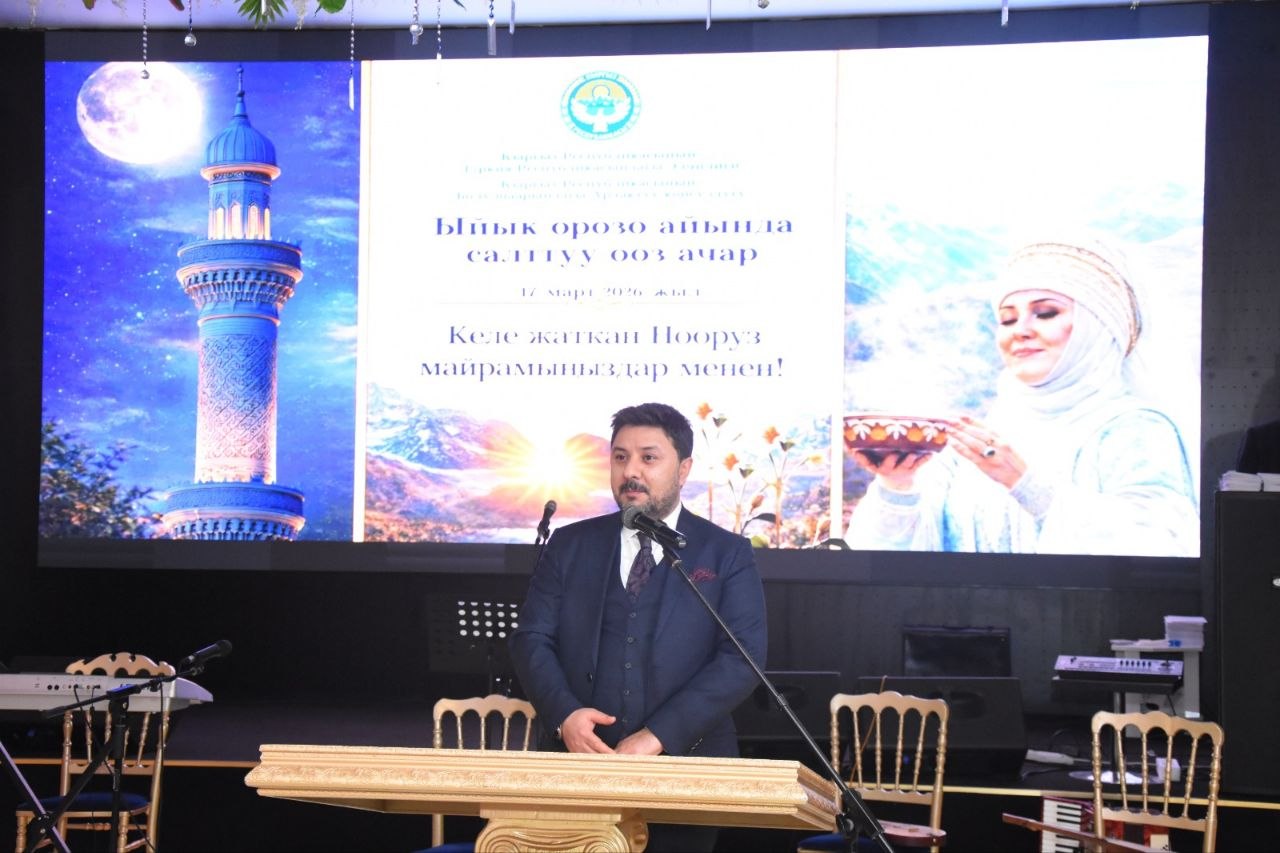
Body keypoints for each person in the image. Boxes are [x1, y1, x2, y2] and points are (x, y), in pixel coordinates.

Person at [509, 402, 767, 853]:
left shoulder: (725, 553)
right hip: (578, 771)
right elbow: (532, 639)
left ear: (683, 469)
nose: (631, 471)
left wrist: (657, 736)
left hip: (688, 774)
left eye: (649, 458)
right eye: (620, 457)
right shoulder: (569, 545)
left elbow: (741, 660)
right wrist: (565, 716)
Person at [845, 238, 1199, 556]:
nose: (1021, 331)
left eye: (1045, 313)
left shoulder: (1134, 429)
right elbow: (899, 557)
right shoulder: (980, 439)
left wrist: (1026, 484)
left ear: (1096, 325)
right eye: (1007, 320)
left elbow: (1163, 548)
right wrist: (896, 485)